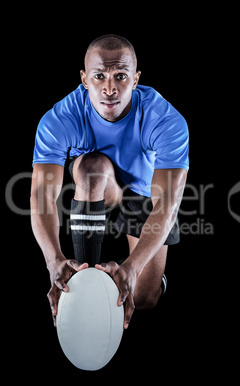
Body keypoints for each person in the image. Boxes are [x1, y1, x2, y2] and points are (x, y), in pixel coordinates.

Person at [30, 34, 189, 330]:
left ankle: (148, 278)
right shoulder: (61, 118)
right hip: (97, 188)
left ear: (136, 78)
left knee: (144, 299)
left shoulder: (165, 120)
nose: (110, 88)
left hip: (143, 198)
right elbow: (41, 195)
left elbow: (168, 202)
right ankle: (83, 283)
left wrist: (133, 267)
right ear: (84, 78)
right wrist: (54, 261)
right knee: (93, 168)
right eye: (99, 76)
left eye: (121, 76)